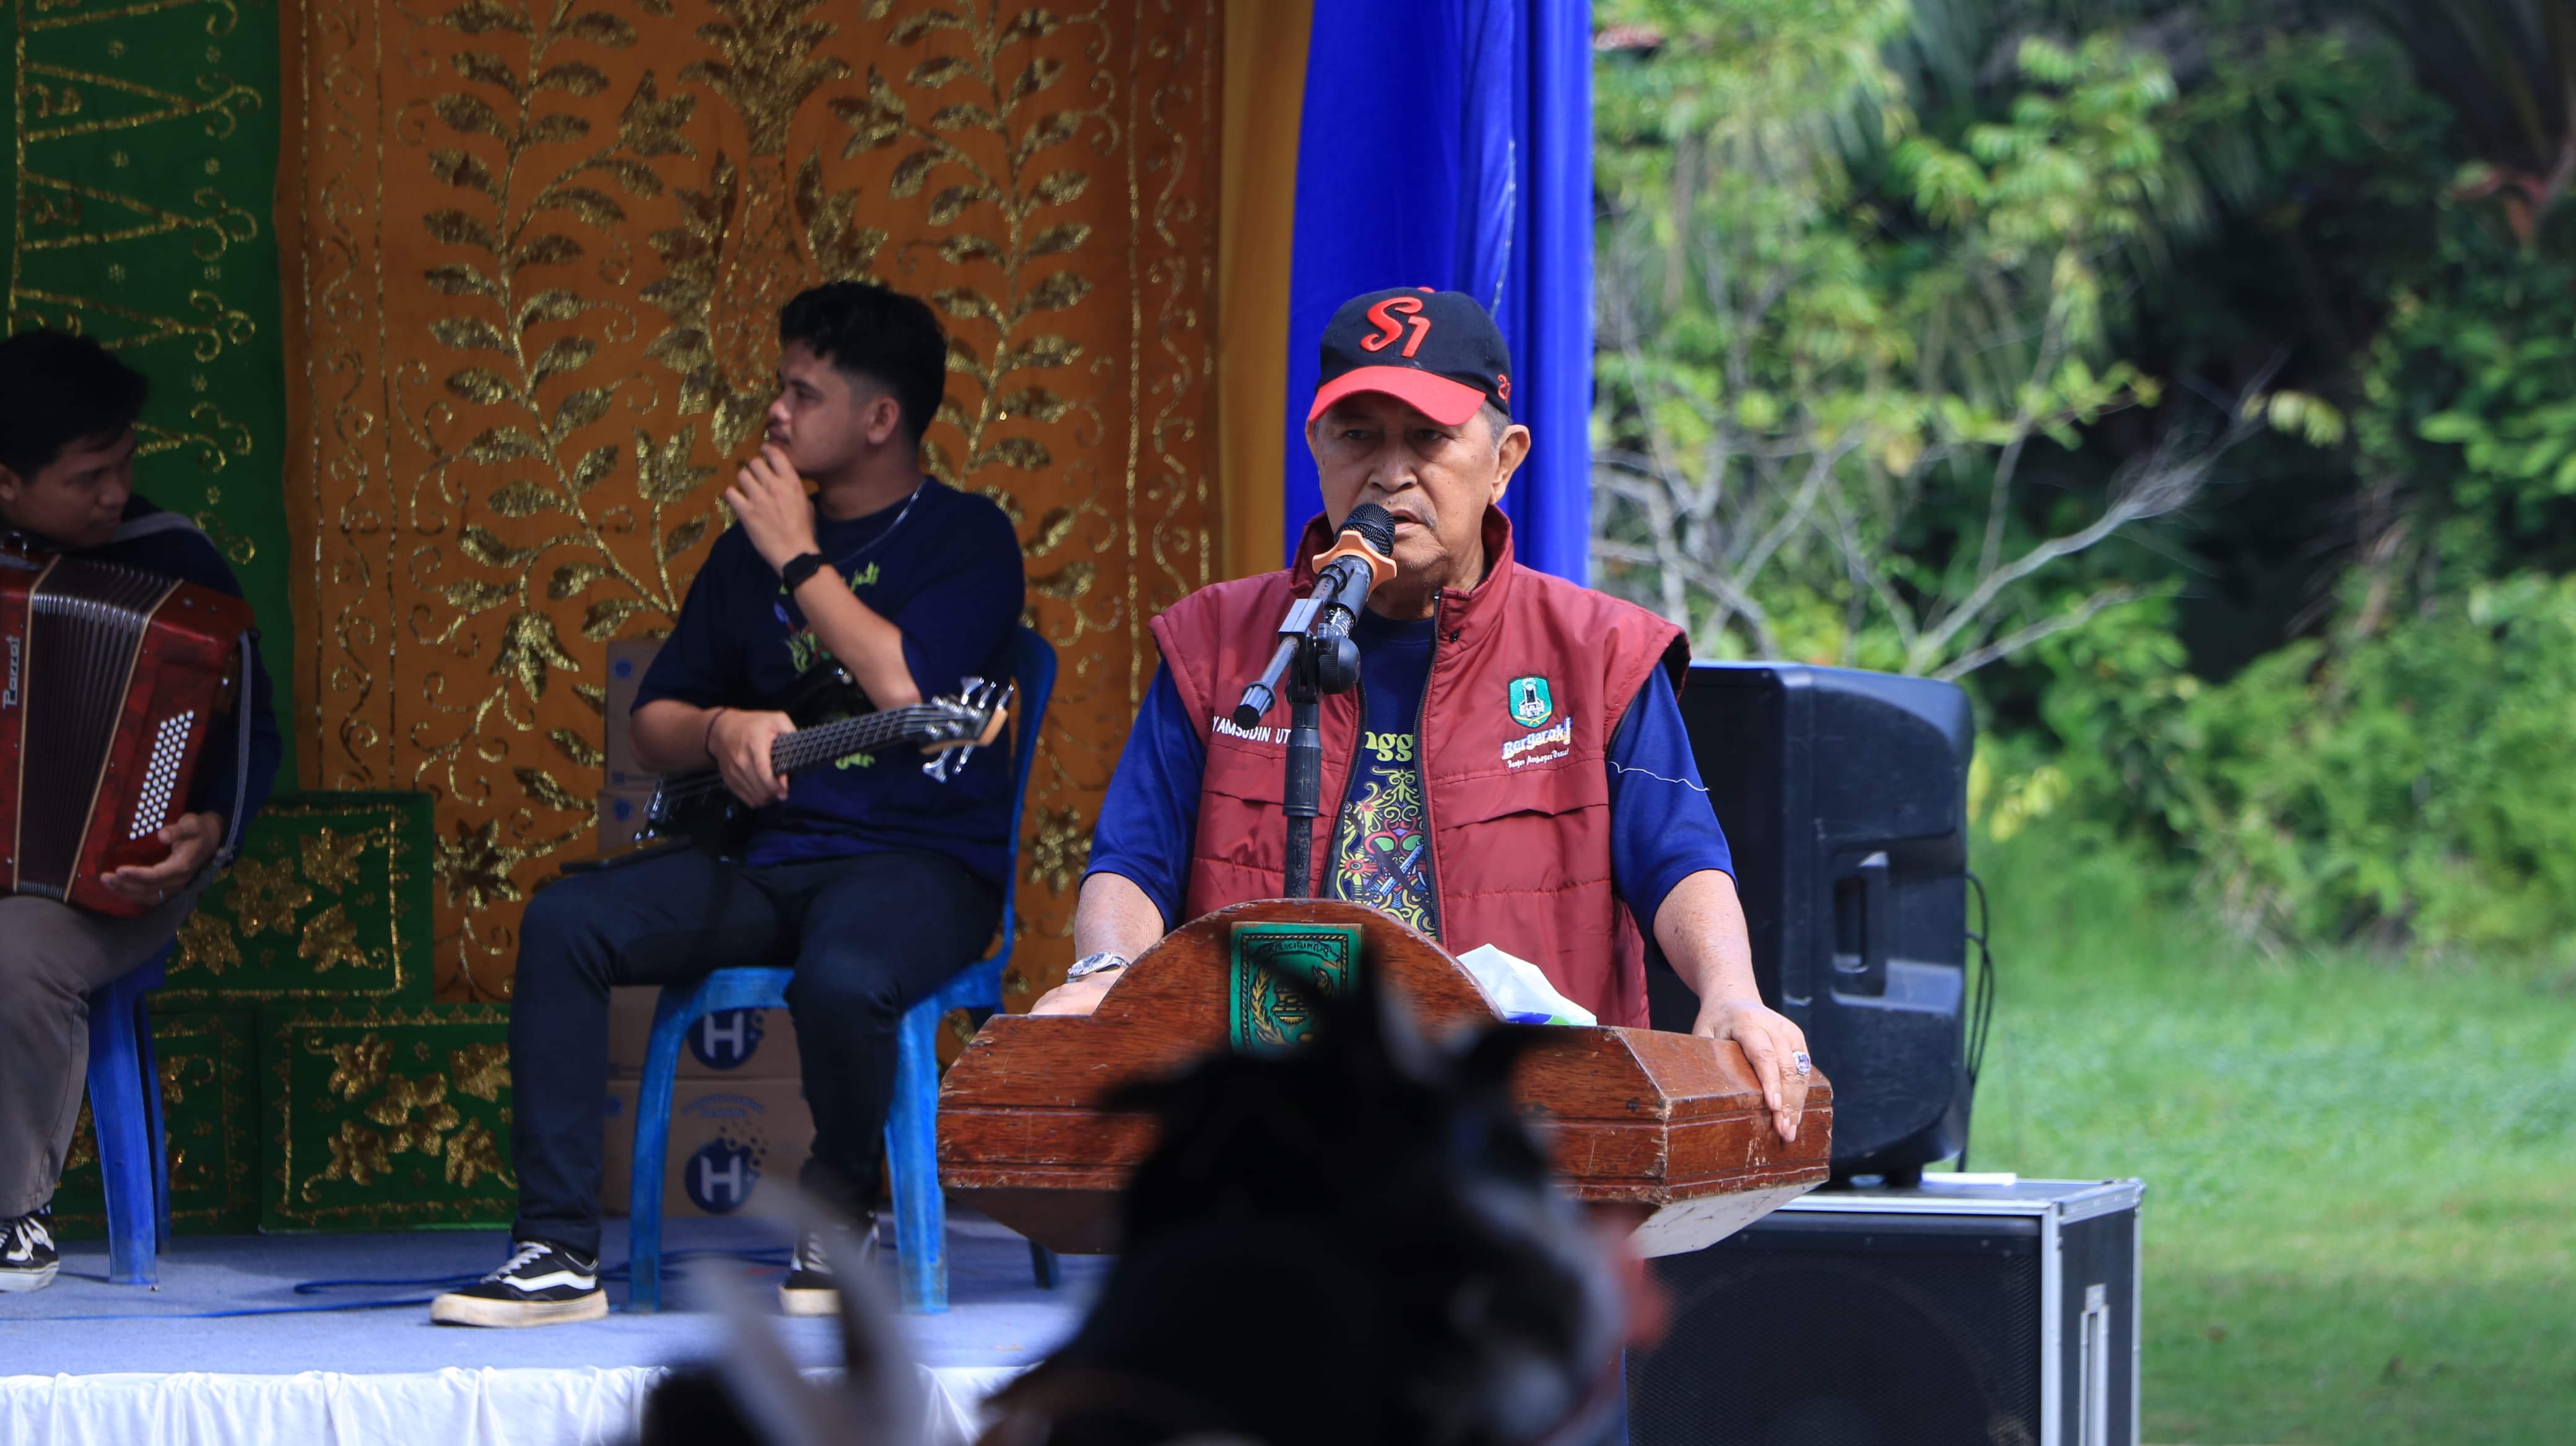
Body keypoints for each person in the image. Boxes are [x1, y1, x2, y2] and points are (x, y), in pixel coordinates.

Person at [1041, 287, 1814, 1146]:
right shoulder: (1219, 645)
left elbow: (1678, 858)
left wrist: (1732, 993)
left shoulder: (1598, 654)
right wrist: (1106, 973)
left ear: (1505, 457)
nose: (1390, 471)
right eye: (1358, 435)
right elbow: (1134, 859)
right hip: (1265, 1134)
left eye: (1430, 437)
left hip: (1521, 1134)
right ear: (1317, 447)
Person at [430, 282, 1025, 1328]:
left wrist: (799, 557)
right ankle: (556, 1252)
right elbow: (653, 720)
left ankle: (843, 1212)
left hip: (917, 866)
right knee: (568, 924)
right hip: (769, 858)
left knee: (846, 978)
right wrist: (721, 731)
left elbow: (905, 692)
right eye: (779, 388)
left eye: (803, 393)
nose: (776, 414)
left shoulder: (967, 540)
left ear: (881, 419)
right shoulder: (738, 557)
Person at [0, 329, 283, 1293]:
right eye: (88, 477)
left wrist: (211, 829)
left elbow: (257, 735)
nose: (117, 494)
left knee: (20, 954)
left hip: (110, 876)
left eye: (124, 465)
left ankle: (13, 1216)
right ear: (7, 483)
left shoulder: (172, 560)